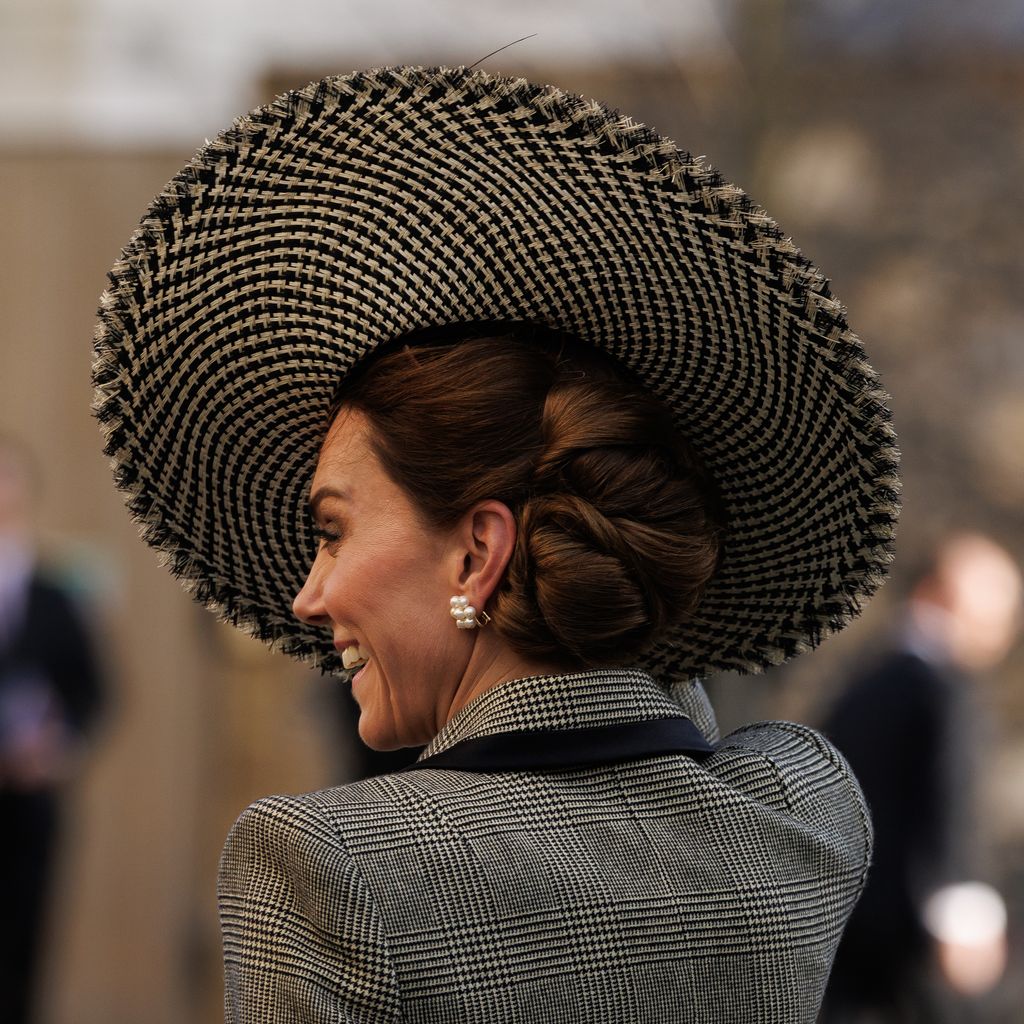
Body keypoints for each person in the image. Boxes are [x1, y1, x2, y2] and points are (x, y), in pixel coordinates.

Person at [93, 67, 900, 1022]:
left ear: (478, 552)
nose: (308, 599)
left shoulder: (323, 864)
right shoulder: (799, 820)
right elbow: (675, 709)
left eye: (332, 531)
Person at [822, 532, 1022, 1023]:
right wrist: (961, 918)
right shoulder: (940, 690)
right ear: (942, 592)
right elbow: (946, 803)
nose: (1006, 627)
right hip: (903, 948)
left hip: (839, 930)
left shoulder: (866, 679)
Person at [0, 436, 107, 1024]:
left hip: (29, 805)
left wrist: (58, 746)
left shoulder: (56, 596)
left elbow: (94, 693)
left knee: (21, 957)